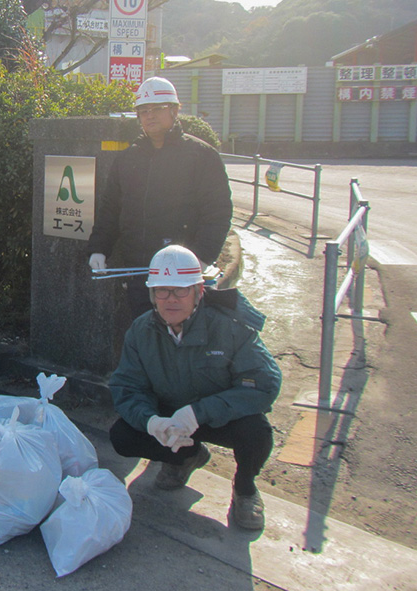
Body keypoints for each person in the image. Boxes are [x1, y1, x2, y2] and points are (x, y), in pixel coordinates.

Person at [108, 245, 281, 531]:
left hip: (216, 416)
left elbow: (265, 383)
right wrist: (152, 421)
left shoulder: (230, 327)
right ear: (152, 295)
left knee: (257, 434)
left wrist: (198, 413)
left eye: (181, 290)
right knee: (123, 436)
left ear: (200, 292)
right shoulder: (141, 331)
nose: (171, 299)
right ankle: (187, 457)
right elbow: (127, 386)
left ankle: (245, 489)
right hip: (171, 418)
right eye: (162, 290)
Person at [87, 76, 232, 318]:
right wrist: (99, 248)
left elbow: (217, 212)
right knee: (146, 337)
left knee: (183, 342)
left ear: (175, 111)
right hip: (140, 271)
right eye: (143, 111)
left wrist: (202, 258)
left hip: (183, 275)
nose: (150, 115)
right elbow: (110, 209)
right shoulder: (127, 159)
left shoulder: (202, 156)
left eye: (157, 109)